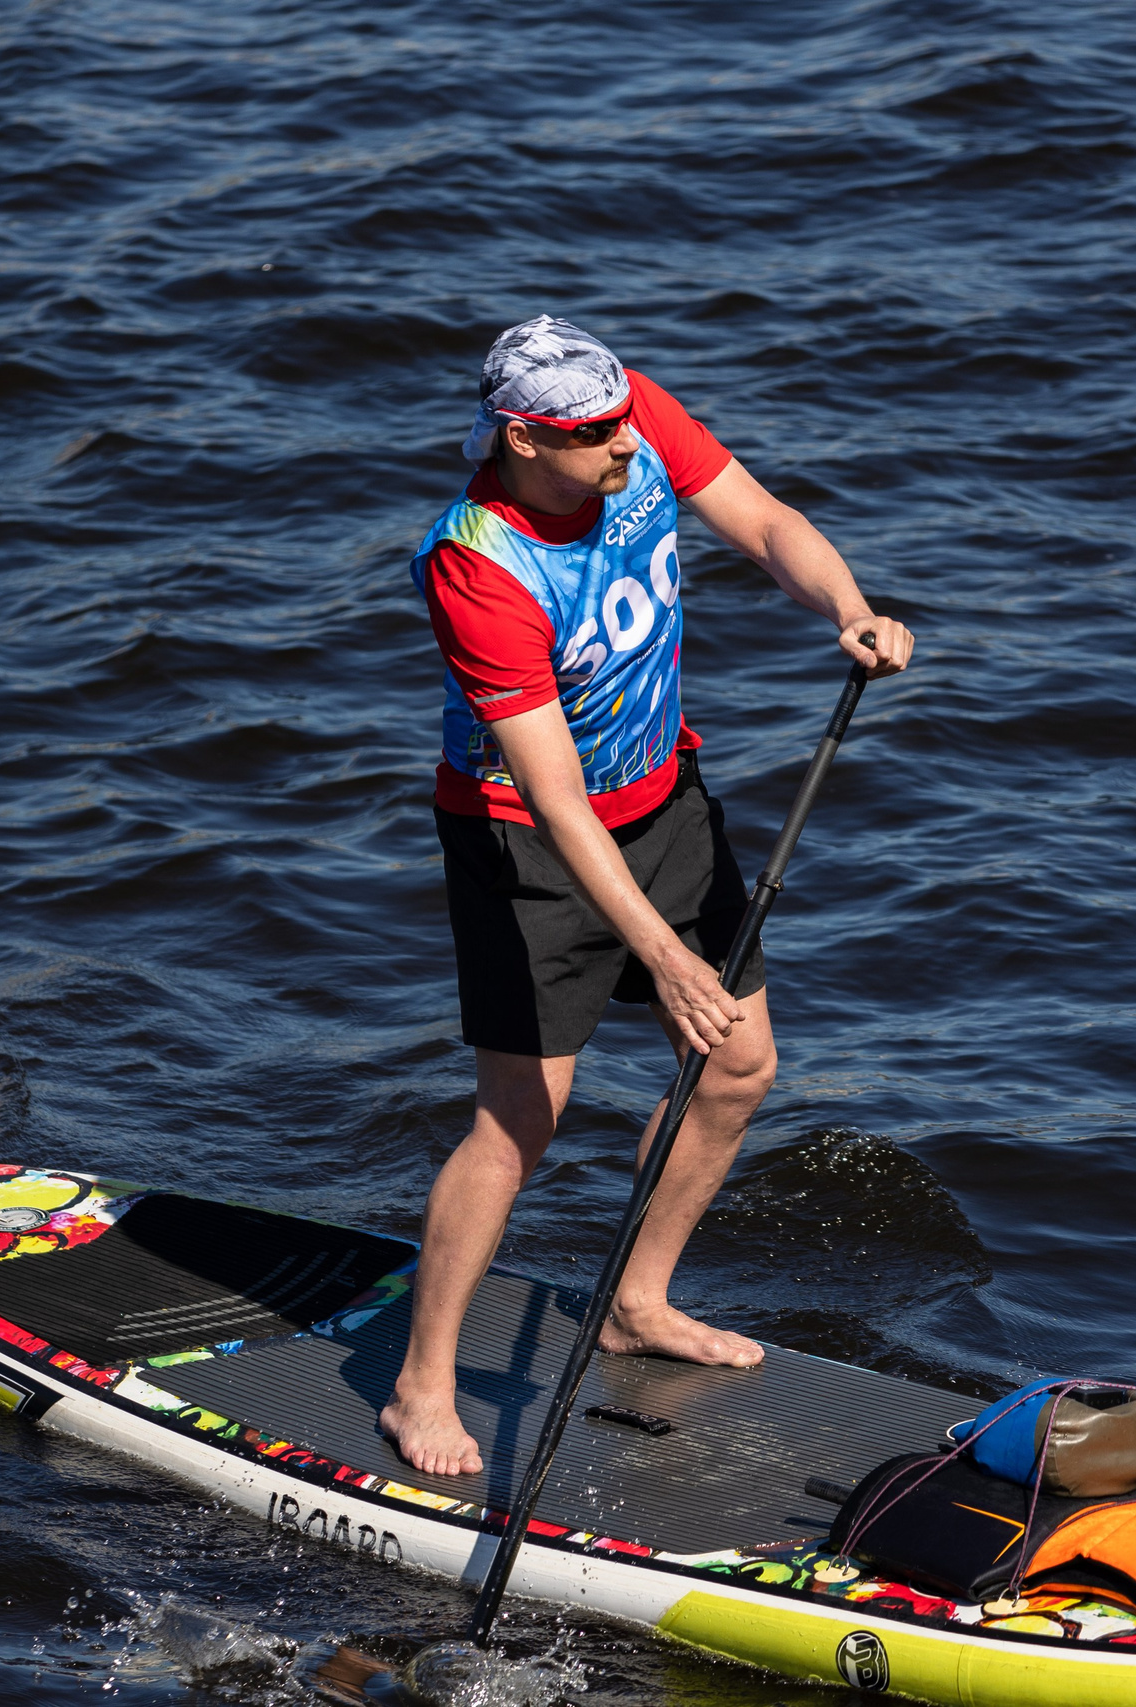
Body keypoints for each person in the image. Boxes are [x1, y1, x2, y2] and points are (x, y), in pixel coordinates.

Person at [382, 316, 915, 1478]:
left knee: (737, 1065)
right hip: (524, 842)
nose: (625, 446)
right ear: (522, 439)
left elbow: (764, 524)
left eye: (624, 421)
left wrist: (846, 607)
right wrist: (666, 962)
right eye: (592, 435)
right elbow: (555, 799)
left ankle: (634, 1302)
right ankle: (421, 1385)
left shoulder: (630, 420)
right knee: (522, 1119)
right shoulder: (476, 568)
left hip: (664, 799)